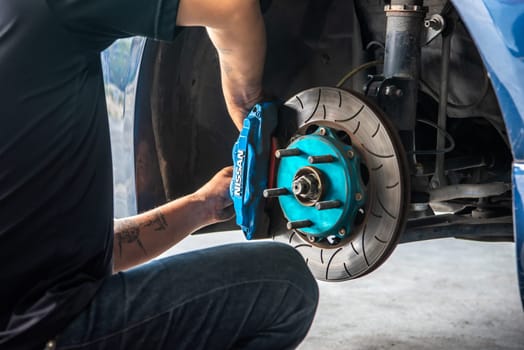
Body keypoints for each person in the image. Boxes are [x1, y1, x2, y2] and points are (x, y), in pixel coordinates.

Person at [0, 0, 319, 349]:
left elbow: (94, 251)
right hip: (47, 334)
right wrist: (245, 100)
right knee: (285, 284)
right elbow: (231, 8)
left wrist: (203, 205)